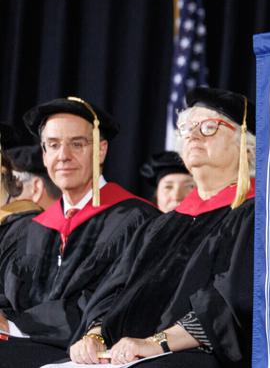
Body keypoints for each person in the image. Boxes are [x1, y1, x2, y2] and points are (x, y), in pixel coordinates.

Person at [69, 86, 255, 367]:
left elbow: (232, 304)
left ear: (245, 144)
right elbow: (115, 289)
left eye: (208, 127)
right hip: (127, 354)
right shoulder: (159, 226)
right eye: (186, 127)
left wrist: (157, 343)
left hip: (201, 357)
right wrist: (95, 336)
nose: (192, 135)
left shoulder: (254, 216)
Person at [0, 97, 159, 365]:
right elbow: (10, 294)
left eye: (77, 144)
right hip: (23, 343)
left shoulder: (137, 220)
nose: (63, 155)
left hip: (89, 353)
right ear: (44, 154)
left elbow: (116, 302)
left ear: (101, 150)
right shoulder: (33, 228)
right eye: (53, 145)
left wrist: (17, 324)